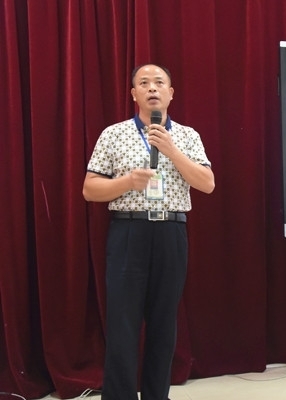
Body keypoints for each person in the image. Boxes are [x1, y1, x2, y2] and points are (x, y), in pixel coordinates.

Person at [83, 63, 215, 400]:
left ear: (171, 93)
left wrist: (172, 151)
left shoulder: (187, 136)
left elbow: (207, 183)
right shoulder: (113, 134)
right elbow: (89, 189)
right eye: (144, 83)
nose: (152, 88)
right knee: (122, 324)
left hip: (171, 232)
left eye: (159, 82)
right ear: (134, 94)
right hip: (129, 232)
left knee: (163, 323)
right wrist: (128, 182)